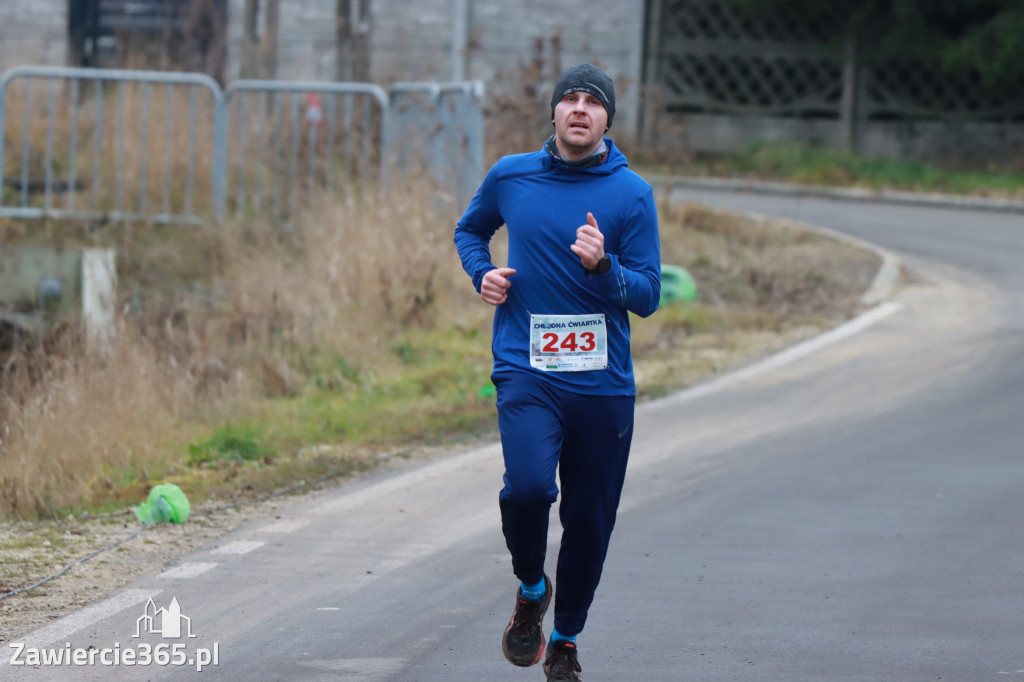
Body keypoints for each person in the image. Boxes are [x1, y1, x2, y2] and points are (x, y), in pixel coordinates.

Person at [454, 63, 661, 681]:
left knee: (589, 520)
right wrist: (480, 273)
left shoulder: (633, 195)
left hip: (601, 384)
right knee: (527, 490)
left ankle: (565, 641)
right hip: (527, 369)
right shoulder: (511, 175)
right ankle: (528, 587)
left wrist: (605, 269)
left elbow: (648, 293)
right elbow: (471, 231)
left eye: (592, 102)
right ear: (553, 113)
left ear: (606, 121)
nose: (579, 108)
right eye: (569, 98)